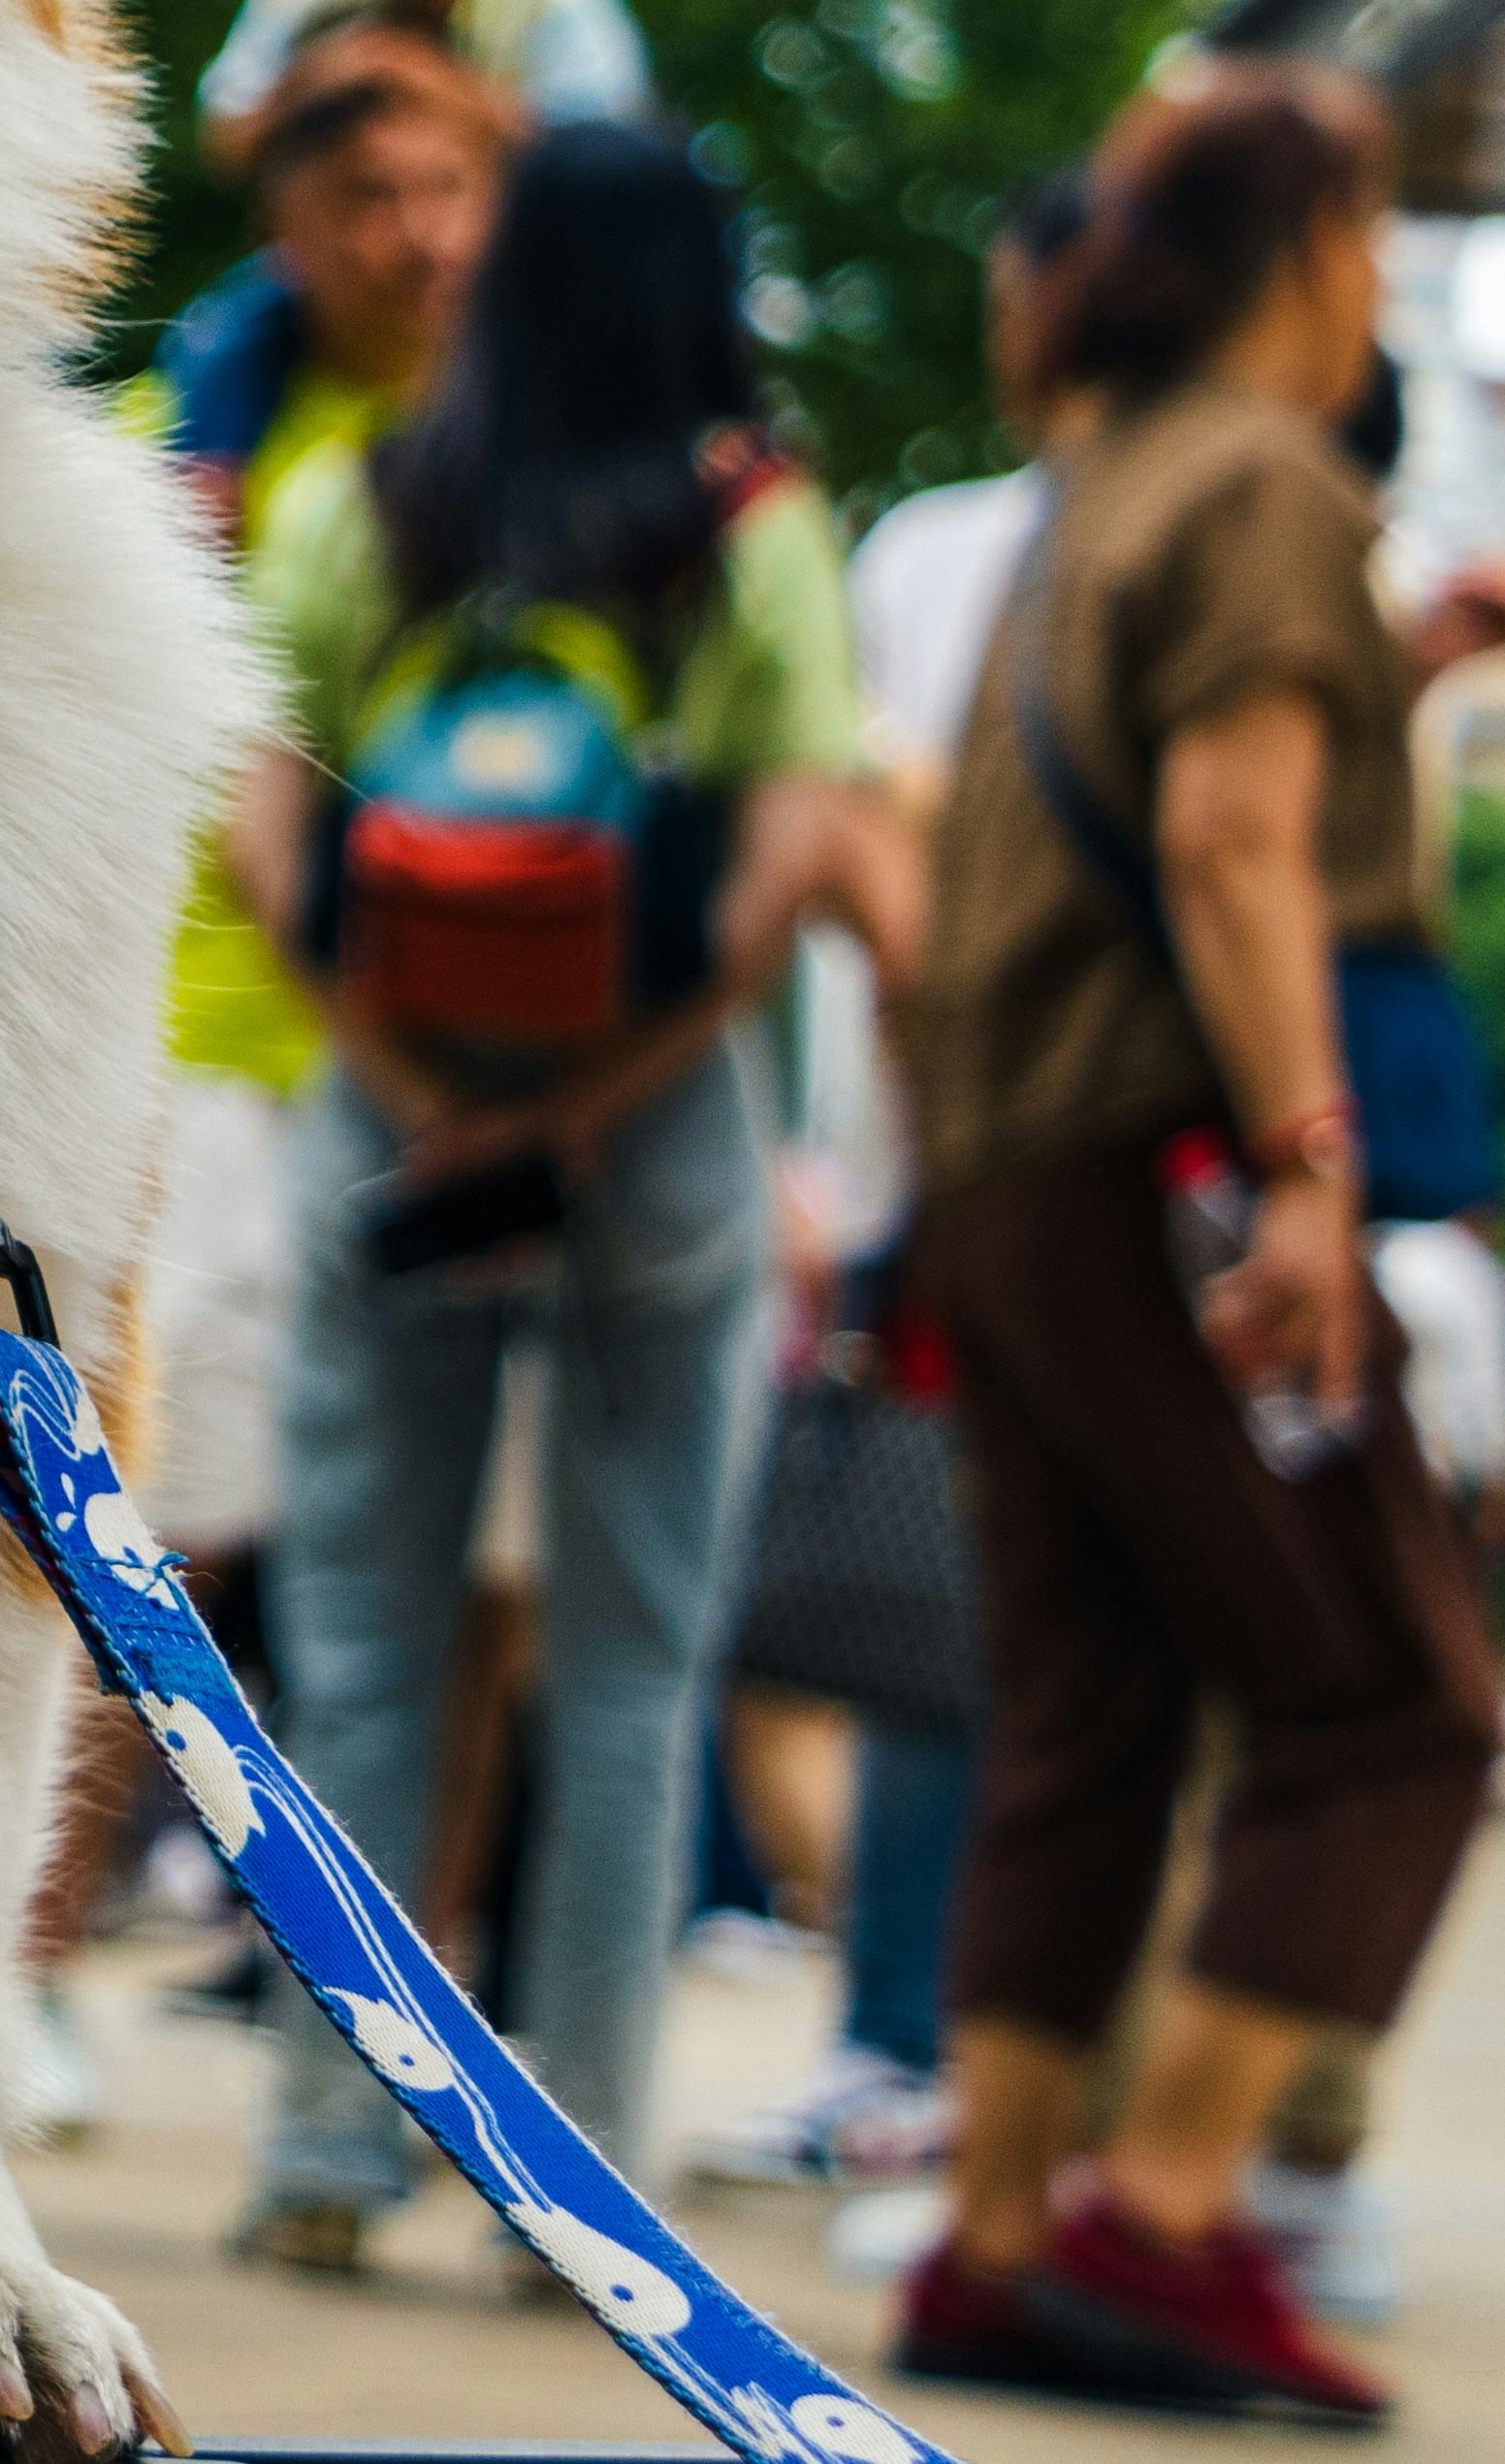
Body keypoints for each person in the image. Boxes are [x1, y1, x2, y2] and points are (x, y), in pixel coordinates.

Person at [887, 67, 1498, 2423]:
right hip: (1174, 1166)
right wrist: (1317, 1167)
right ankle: (1163, 2212)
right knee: (1392, 1700)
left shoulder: (1099, 489)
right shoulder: (1258, 478)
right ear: (1317, 256)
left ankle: (1004, 2230)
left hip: (1022, 1171)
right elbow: (1244, 844)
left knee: (1092, 1703)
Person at [219, 123, 881, 2268]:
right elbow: (779, 862)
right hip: (652, 1135)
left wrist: (416, 1080)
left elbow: (256, 820)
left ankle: (324, 2151)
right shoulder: (747, 531)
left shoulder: (362, 500)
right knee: (628, 1662)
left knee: (359, 1651)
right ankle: (568, 2188)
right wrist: (585, 1108)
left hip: (386, 1119)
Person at [26, 20, 518, 2131]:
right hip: (213, 1051)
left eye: (440, 190)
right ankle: (16, 1962)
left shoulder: (537, 436)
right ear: (283, 228)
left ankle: (406, 2003)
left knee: (470, 1574)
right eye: (360, 201)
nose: (411, 236)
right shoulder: (182, 438)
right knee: (148, 1536)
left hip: (458, 1083)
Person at [683, 171, 1089, 2204]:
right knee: (957, 1621)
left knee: (1018, 1640)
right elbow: (884, 843)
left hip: (1029, 1158)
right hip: (973, 1162)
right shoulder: (940, 550)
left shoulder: (956, 548)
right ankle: (911, 2049)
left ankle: (966, 2068)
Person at [159, 0, 656, 475]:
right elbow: (225, 136)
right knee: (225, 337)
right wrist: (325, 79)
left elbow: (616, 174)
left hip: (539, 271)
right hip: (341, 293)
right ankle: (211, 486)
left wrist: (431, 84)